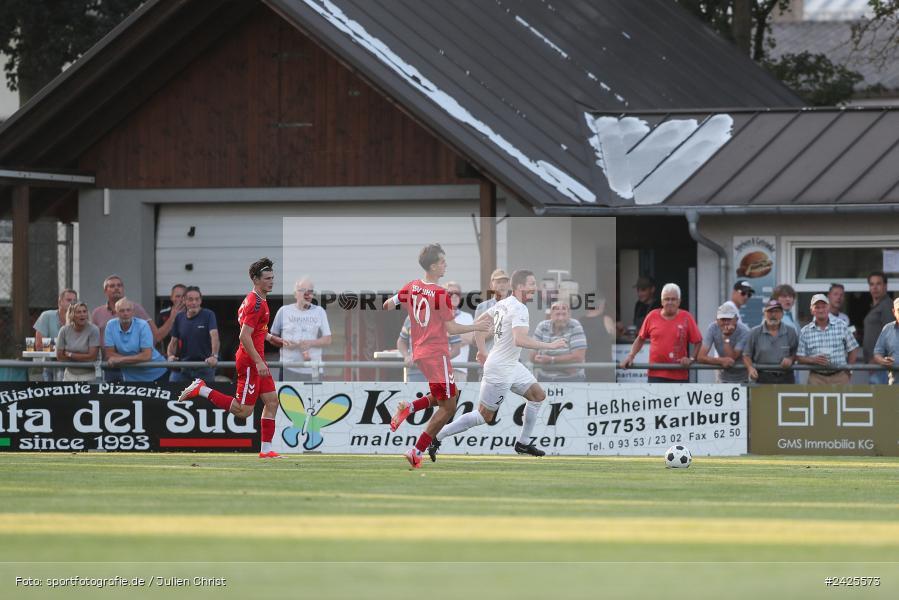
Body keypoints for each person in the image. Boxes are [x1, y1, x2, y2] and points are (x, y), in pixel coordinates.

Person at [428, 269, 567, 461]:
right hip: (500, 368)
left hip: (510, 364)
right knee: (484, 416)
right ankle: (437, 437)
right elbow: (520, 340)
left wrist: (483, 351)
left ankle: (523, 443)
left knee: (537, 395)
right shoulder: (519, 308)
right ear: (520, 287)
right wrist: (549, 345)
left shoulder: (503, 304)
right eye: (532, 284)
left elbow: (479, 323)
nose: (535, 288)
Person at [382, 243, 491, 468]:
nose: (445, 265)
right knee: (449, 407)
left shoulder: (412, 286)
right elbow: (451, 329)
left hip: (420, 353)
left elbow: (387, 305)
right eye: (442, 262)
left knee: (445, 397)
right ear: (432, 266)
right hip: (436, 352)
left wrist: (404, 302)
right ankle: (416, 450)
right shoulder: (440, 294)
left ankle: (409, 408)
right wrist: (476, 326)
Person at [178, 258, 289, 459]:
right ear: (256, 279)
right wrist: (257, 361)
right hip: (250, 361)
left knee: (272, 402)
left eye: (273, 278)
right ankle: (201, 389)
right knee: (244, 411)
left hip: (257, 359)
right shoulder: (256, 304)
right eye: (267, 278)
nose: (272, 282)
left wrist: (271, 337)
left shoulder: (257, 299)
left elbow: (254, 330)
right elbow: (244, 336)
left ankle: (266, 451)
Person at [619, 283, 702, 383]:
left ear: (679, 301)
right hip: (655, 375)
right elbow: (640, 339)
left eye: (673, 299)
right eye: (667, 299)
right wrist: (630, 356)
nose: (670, 302)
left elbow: (698, 341)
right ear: (662, 301)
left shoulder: (687, 317)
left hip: (679, 375)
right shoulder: (652, 316)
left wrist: (691, 359)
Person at [92, 275, 158, 382]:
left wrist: (143, 352)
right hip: (111, 366)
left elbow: (155, 334)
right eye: (112, 286)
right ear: (105, 290)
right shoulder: (97, 313)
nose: (117, 288)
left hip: (135, 366)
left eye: (119, 285)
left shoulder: (136, 308)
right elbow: (93, 340)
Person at [271, 278, 332, 382]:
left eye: (310, 291)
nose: (307, 294)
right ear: (295, 294)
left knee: (316, 398)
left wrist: (310, 343)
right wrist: (286, 344)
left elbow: (328, 340)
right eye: (303, 290)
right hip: (288, 369)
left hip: (313, 370)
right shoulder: (284, 311)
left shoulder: (319, 311)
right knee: (286, 398)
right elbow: (272, 338)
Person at [797, 294, 858, 385]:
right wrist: (813, 360)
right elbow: (799, 357)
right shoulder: (805, 331)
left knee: (841, 400)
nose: (821, 310)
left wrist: (849, 371)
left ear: (828, 308)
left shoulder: (841, 325)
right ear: (811, 310)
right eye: (817, 307)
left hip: (840, 377)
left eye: (824, 306)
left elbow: (853, 349)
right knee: (816, 400)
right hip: (816, 378)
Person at [103, 298, 169, 383]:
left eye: (128, 310)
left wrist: (120, 360)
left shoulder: (142, 325)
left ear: (133, 312)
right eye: (122, 311)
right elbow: (109, 353)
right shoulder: (110, 325)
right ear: (116, 313)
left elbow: (147, 355)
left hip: (156, 373)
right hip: (132, 377)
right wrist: (134, 358)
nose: (125, 313)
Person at [167, 286, 220, 383]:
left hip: (205, 367)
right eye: (190, 299)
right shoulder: (179, 317)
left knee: (205, 397)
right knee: (174, 393)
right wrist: (170, 355)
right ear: (184, 301)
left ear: (201, 300)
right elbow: (173, 341)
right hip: (183, 368)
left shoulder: (208, 315)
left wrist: (214, 356)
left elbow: (214, 336)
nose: (194, 303)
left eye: (197, 299)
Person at [742, 300, 799, 385]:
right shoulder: (755, 332)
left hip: (786, 377)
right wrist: (750, 368)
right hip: (762, 377)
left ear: (782, 314)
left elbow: (795, 352)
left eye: (776, 311)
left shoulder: (791, 331)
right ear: (764, 313)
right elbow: (746, 355)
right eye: (770, 311)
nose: (773, 315)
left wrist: (790, 359)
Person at [531, 301, 588, 382]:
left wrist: (550, 359)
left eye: (564, 314)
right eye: (557, 314)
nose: (561, 318)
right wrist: (565, 366)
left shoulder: (575, 325)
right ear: (551, 315)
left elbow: (578, 357)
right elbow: (532, 356)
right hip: (545, 378)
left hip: (571, 379)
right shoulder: (542, 326)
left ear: (569, 315)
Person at [697, 303, 750, 383]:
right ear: (717, 320)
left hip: (744, 379)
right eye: (722, 319)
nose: (725, 322)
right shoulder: (712, 328)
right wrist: (721, 361)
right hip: (722, 378)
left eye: (729, 319)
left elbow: (731, 359)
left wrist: (726, 338)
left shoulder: (744, 331)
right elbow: (701, 357)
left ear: (736, 319)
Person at [397, 315, 461, 382]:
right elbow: (401, 341)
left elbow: (456, 349)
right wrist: (406, 356)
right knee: (415, 392)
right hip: (415, 370)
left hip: (439, 372)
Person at [33, 288, 78, 381]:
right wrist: (65, 348)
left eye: (74, 301)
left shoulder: (80, 319)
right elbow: (39, 345)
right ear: (60, 302)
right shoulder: (46, 316)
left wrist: (54, 345)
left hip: (73, 366)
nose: (72, 303)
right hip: (50, 365)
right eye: (69, 300)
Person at [55, 302, 100, 382]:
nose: (82, 314)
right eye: (78, 312)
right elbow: (59, 356)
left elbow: (92, 357)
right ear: (72, 315)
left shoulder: (94, 330)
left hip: (89, 375)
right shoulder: (64, 330)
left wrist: (70, 354)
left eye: (84, 311)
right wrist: (83, 357)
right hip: (69, 375)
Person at [863, 271, 893, 384]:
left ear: (885, 286)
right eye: (872, 284)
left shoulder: (887, 305)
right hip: (875, 367)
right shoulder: (877, 306)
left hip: (881, 367)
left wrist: (876, 360)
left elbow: (891, 335)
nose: (875, 287)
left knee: (882, 400)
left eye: (878, 284)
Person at [474, 268, 512, 355]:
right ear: (491, 285)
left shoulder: (516, 306)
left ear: (509, 285)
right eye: (498, 282)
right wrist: (489, 334)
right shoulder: (482, 308)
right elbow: (474, 338)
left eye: (505, 282)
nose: (502, 285)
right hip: (490, 358)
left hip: (510, 359)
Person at [580, 293, 615, 381]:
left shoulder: (579, 322)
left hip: (585, 369)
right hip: (604, 369)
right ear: (602, 304)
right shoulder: (606, 320)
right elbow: (614, 337)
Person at [445, 281, 474, 383]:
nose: (454, 296)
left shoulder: (467, 317)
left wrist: (449, 335)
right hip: (440, 370)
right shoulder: (437, 316)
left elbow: (471, 339)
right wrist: (460, 336)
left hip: (461, 370)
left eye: (457, 293)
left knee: (460, 399)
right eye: (450, 294)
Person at [872, 298, 899, 385]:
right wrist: (884, 361)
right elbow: (877, 353)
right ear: (893, 312)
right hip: (895, 384)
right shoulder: (888, 329)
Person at [156, 283, 186, 353]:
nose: (181, 299)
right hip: (170, 357)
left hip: (190, 358)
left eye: (183, 296)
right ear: (171, 298)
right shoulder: (163, 313)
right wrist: (172, 317)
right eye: (177, 296)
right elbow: (158, 337)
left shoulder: (194, 312)